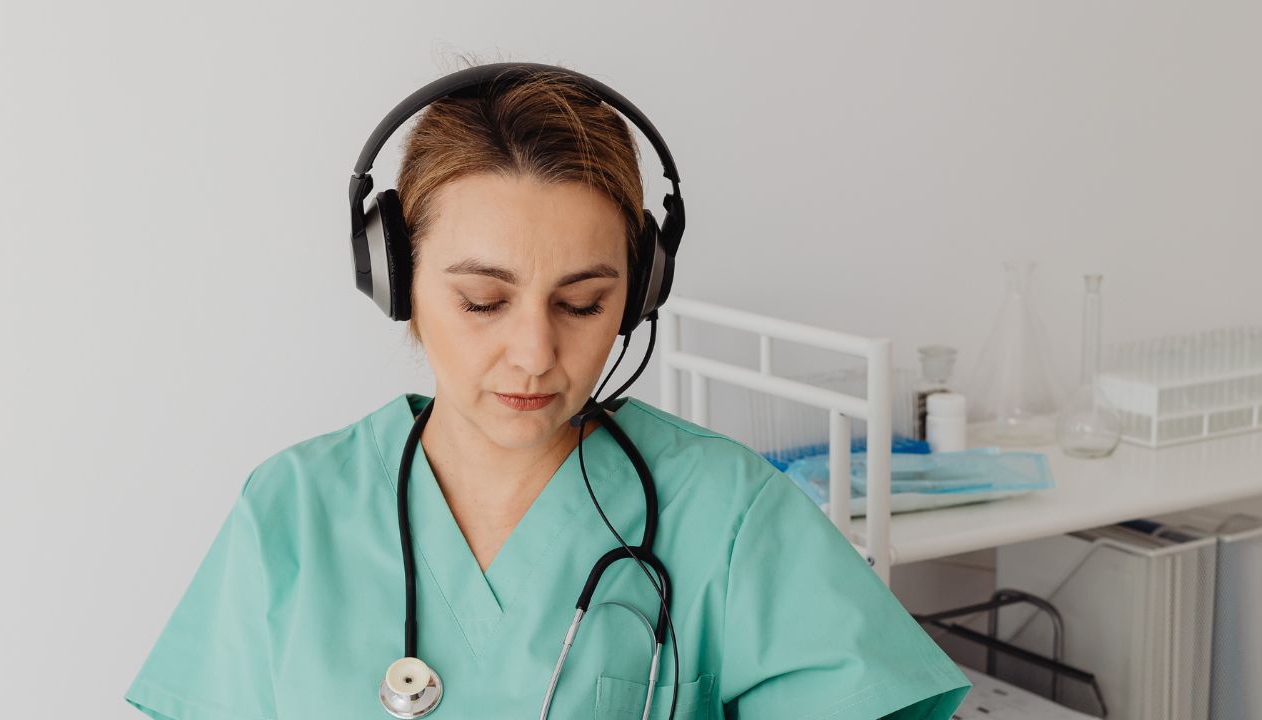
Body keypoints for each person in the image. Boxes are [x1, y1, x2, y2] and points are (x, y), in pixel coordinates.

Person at [124, 62, 971, 720]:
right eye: (483, 302)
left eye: (581, 303)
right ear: (395, 282)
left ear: (638, 295)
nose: (534, 354)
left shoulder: (731, 517)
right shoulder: (293, 514)